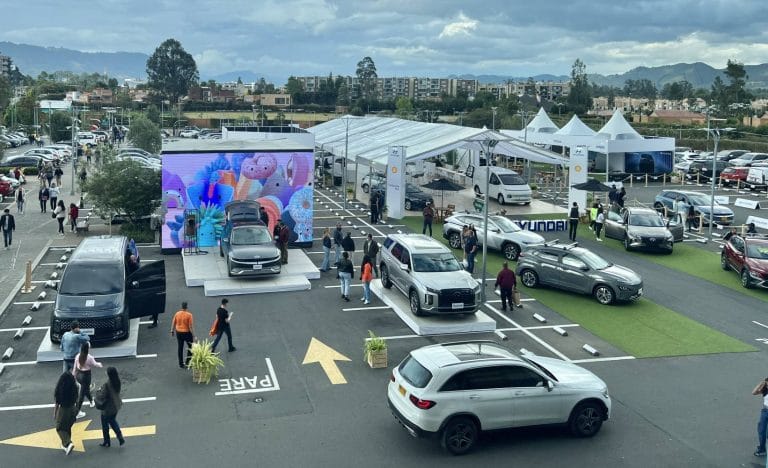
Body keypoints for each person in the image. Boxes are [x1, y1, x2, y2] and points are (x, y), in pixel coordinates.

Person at [97, 367, 125, 448]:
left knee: (105, 424)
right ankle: (119, 436)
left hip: (108, 408)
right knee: (112, 421)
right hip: (115, 406)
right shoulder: (117, 381)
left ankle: (107, 441)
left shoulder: (107, 384)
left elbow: (102, 395)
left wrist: (99, 390)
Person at [53, 372, 79, 455]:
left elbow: (57, 403)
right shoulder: (75, 388)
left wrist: (55, 413)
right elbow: (77, 399)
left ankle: (68, 443)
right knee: (67, 427)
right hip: (73, 409)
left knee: (60, 428)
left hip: (64, 410)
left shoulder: (60, 390)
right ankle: (65, 445)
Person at [72, 342, 102, 413]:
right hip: (86, 376)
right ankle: (77, 411)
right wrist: (100, 364)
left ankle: (91, 401)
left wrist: (73, 376)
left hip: (79, 375)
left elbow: (75, 367)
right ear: (88, 349)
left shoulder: (78, 356)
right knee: (82, 394)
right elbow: (95, 364)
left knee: (85, 389)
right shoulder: (89, 358)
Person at [171, 302, 195, 368]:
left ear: (181, 307)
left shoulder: (177, 313)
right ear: (187, 307)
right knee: (190, 347)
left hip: (179, 332)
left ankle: (181, 364)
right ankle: (188, 362)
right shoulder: (189, 315)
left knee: (180, 348)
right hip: (187, 333)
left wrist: (172, 330)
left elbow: (173, 322)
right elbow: (190, 327)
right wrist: (194, 335)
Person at [752, 377, 768, 457]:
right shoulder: (765, 390)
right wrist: (761, 384)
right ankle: (762, 449)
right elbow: (754, 392)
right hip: (765, 411)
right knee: (761, 431)